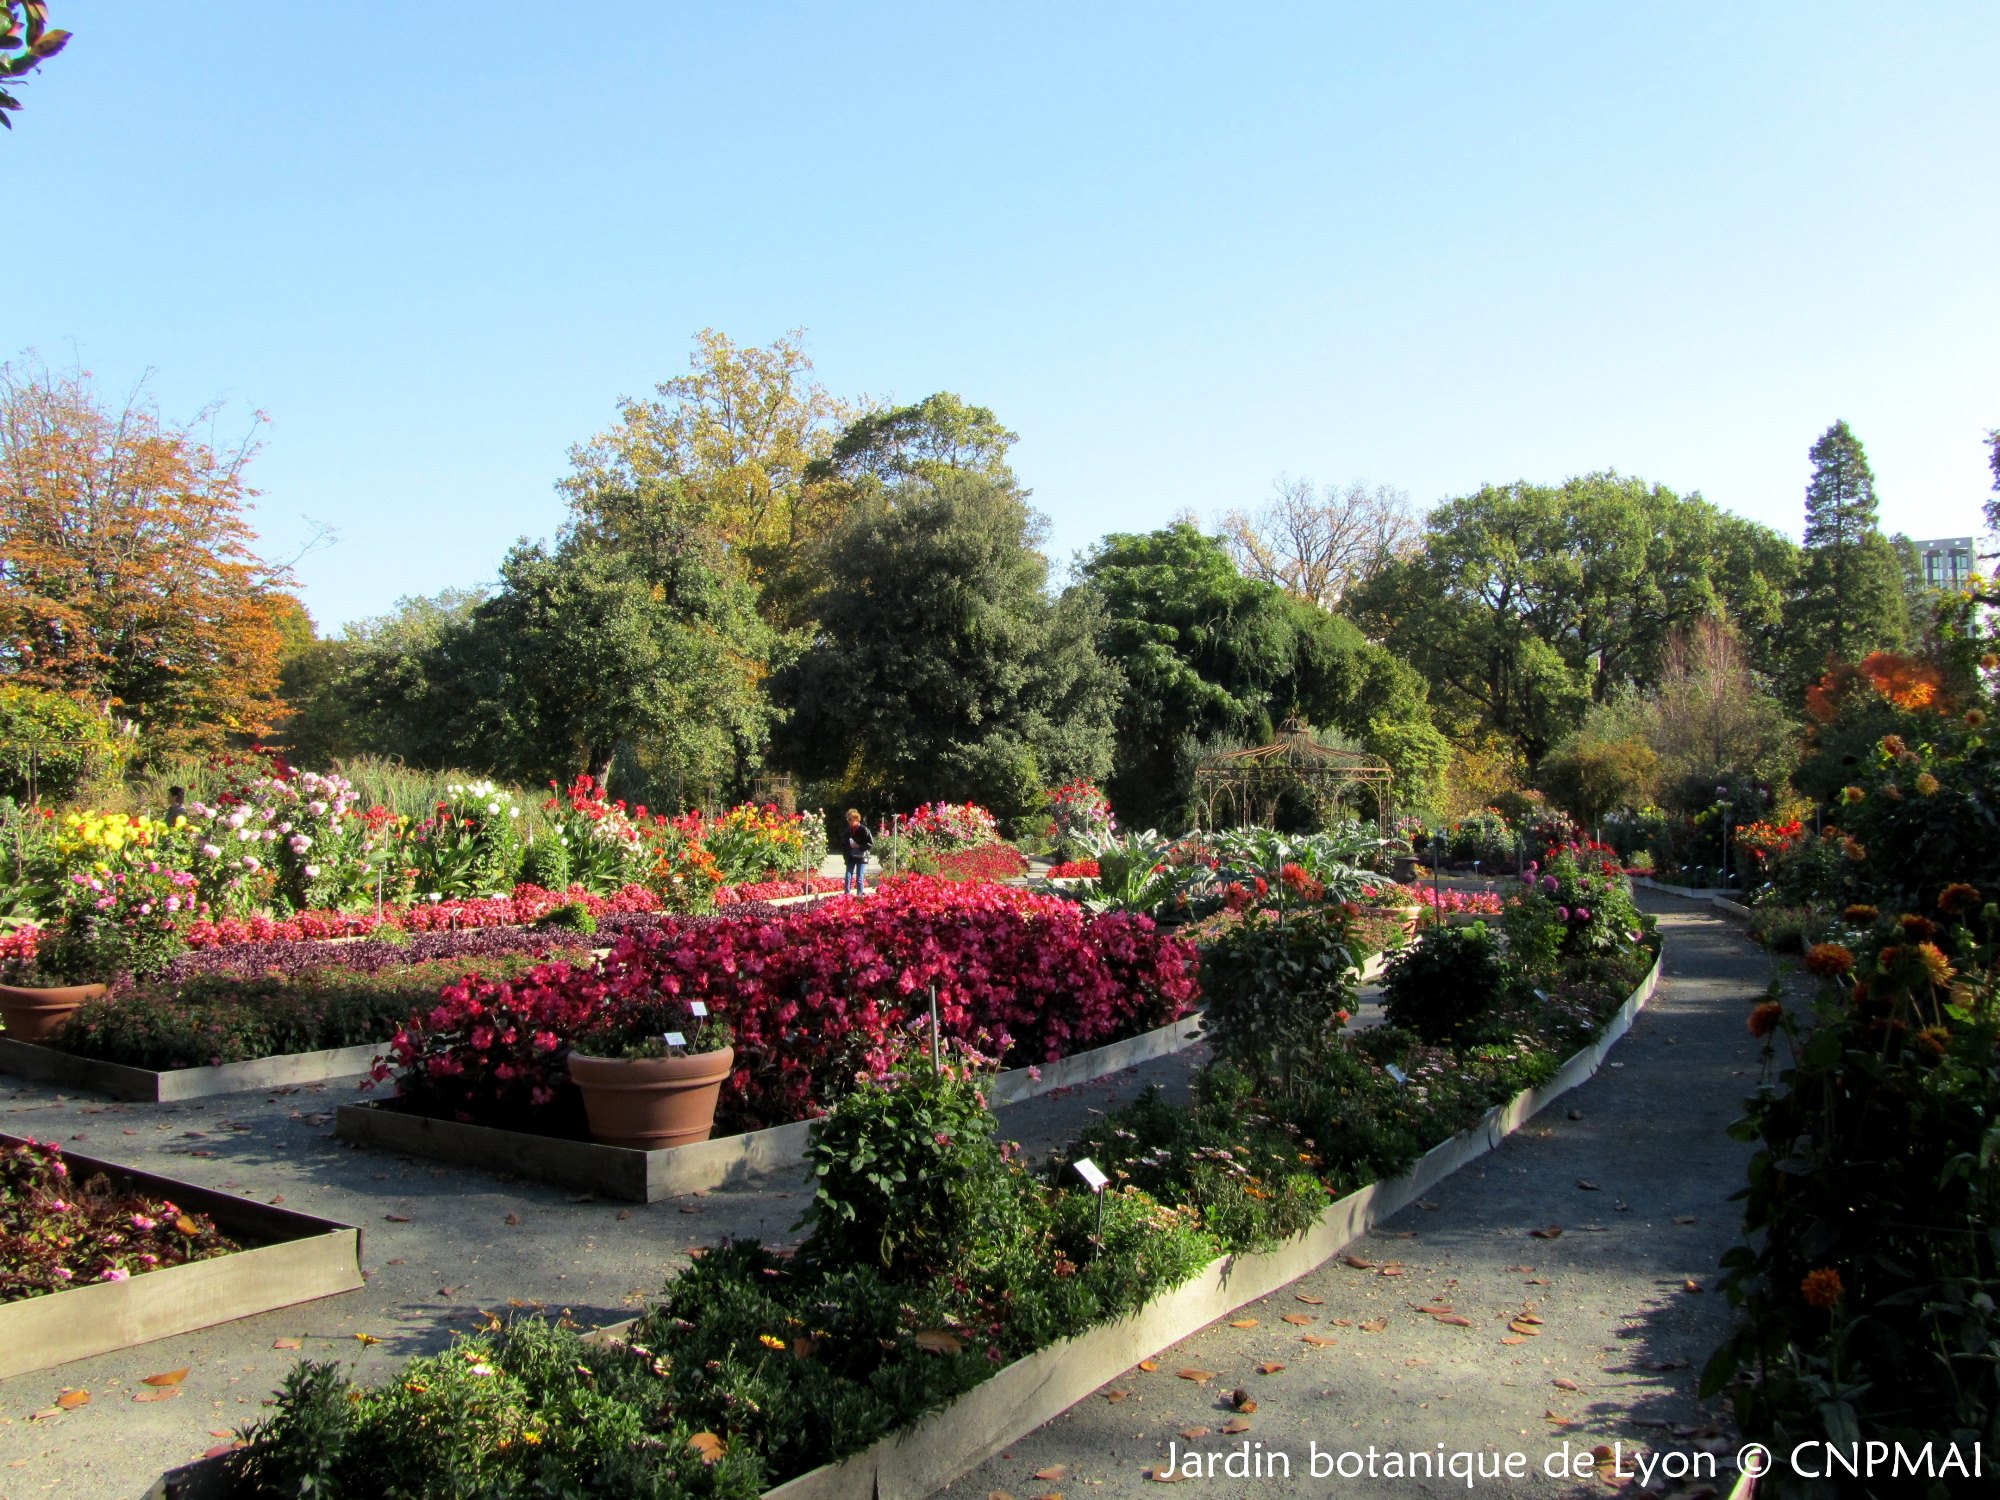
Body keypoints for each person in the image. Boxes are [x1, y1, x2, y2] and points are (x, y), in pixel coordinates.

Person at [841, 808, 873, 896]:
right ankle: (847, 894)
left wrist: (858, 846)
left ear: (856, 818)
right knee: (848, 875)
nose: (848, 821)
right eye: (847, 819)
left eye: (850, 819)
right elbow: (843, 845)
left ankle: (859, 895)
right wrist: (846, 856)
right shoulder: (847, 831)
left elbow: (870, 843)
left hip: (861, 856)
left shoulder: (864, 829)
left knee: (860, 876)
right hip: (850, 856)